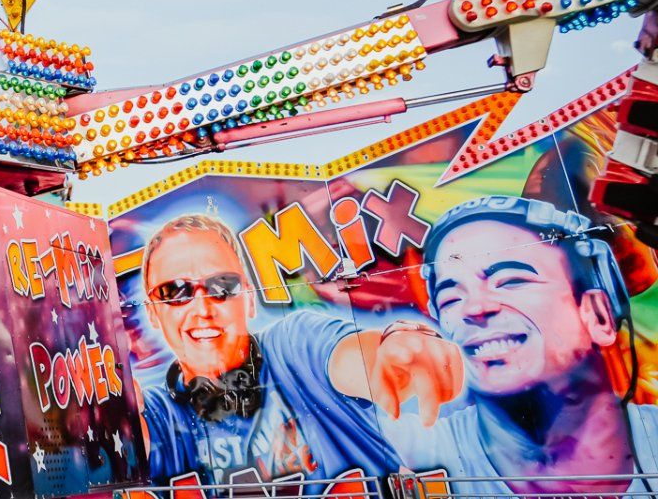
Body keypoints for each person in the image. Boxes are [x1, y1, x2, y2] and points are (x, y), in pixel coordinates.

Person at [135, 214, 463, 486]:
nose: (202, 309)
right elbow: (125, 440)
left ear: (249, 298)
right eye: (174, 291)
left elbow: (355, 359)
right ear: (152, 311)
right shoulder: (159, 414)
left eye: (223, 286)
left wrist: (396, 352)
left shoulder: (294, 344)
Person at [389, 196, 658, 495]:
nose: (475, 308)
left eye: (509, 281)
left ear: (598, 315)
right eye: (450, 298)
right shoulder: (415, 457)